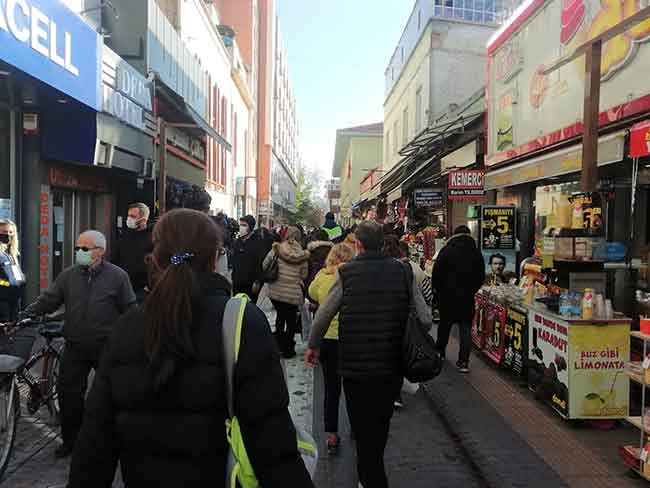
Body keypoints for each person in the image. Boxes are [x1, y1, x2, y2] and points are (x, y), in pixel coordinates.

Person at [66, 209, 313, 487]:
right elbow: (274, 444)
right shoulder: (241, 323)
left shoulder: (126, 327)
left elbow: (94, 446)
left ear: (156, 257)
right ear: (214, 257)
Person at [305, 221, 430, 488]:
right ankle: (371, 471)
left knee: (362, 426)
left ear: (358, 245)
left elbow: (323, 316)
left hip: (354, 367)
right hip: (391, 366)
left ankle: (371, 477)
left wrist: (314, 346)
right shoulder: (402, 271)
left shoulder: (347, 273)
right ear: (383, 244)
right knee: (379, 424)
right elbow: (426, 319)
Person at [24, 230, 136, 458]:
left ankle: (111, 441)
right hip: (75, 344)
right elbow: (49, 299)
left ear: (100, 252)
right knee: (68, 395)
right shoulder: (68, 276)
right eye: (77, 248)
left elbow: (130, 310)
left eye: (84, 248)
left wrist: (129, 339)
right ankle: (71, 441)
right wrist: (27, 314)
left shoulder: (118, 276)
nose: (79, 252)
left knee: (109, 395)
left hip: (106, 346)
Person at [308, 243, 355, 456]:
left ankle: (331, 435)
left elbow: (311, 294)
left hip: (328, 340)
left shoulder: (323, 275)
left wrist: (312, 345)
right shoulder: (355, 276)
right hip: (351, 339)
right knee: (354, 388)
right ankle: (356, 428)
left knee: (331, 389)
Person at [432, 225, 485, 374]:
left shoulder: (446, 250)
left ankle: (440, 353)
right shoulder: (475, 252)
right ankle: (463, 361)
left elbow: (436, 273)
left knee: (444, 325)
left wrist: (438, 291)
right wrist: (471, 290)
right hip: (466, 297)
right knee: (465, 327)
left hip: (447, 296)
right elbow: (481, 276)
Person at [264, 226, 310, 358]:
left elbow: (265, 264)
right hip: (293, 294)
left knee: (280, 317)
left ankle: (278, 345)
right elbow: (304, 275)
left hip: (276, 291)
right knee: (290, 321)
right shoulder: (302, 254)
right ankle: (289, 349)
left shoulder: (277, 248)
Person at [113, 203, 153, 303]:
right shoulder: (125, 236)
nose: (129, 219)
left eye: (133, 216)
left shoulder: (153, 237)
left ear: (144, 219)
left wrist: (149, 286)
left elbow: (159, 264)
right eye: (128, 215)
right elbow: (116, 258)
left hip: (143, 291)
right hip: (123, 287)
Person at [232, 215, 266, 301]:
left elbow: (260, 263)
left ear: (250, 227)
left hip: (250, 283)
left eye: (244, 225)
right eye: (240, 225)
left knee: (249, 307)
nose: (241, 227)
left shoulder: (258, 242)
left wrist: (257, 281)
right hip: (237, 281)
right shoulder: (238, 241)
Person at [0, 219, 24, 322]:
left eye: (10, 232)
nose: (8, 235)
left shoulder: (12, 253)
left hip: (14, 297)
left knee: (13, 325)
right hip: (2, 299)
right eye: (4, 232)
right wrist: (6, 283)